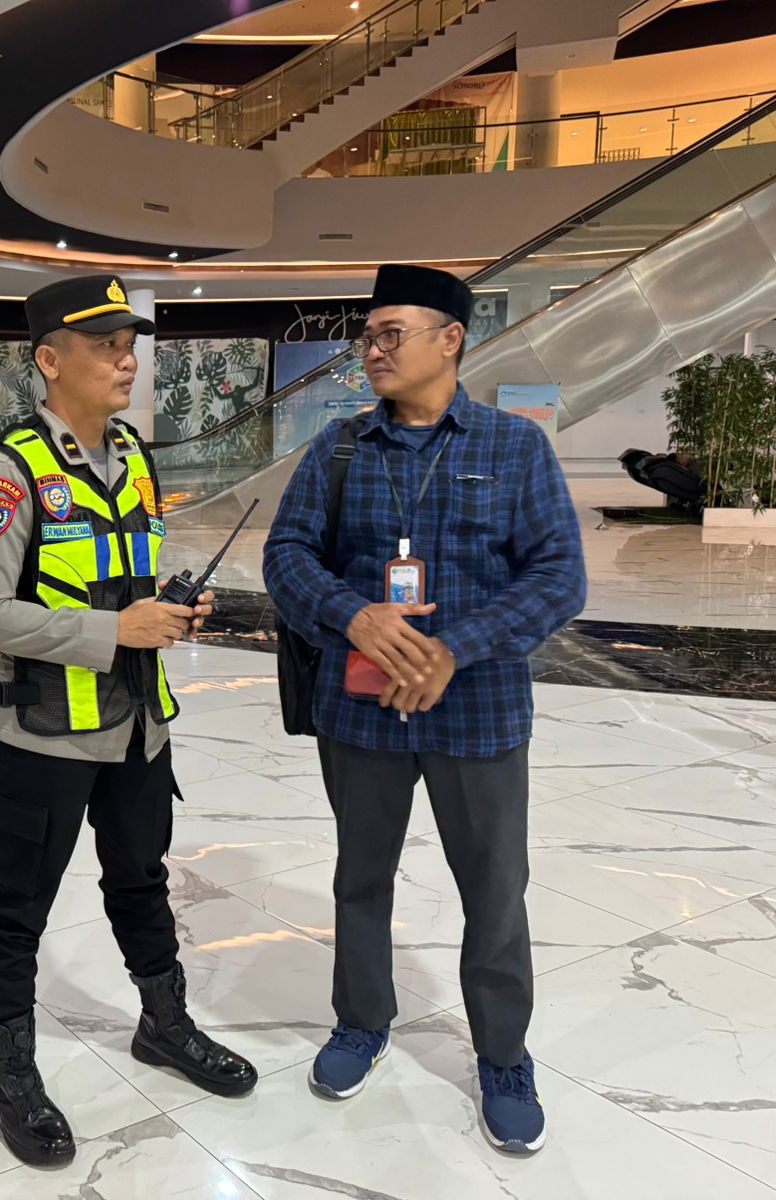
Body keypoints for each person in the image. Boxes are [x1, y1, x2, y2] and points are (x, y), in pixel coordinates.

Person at [263, 264, 587, 1154]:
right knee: (360, 878)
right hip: (361, 712)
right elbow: (287, 555)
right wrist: (354, 616)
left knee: (495, 890)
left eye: (390, 334)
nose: (371, 350)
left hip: (477, 711)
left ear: (451, 340)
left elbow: (560, 576)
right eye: (366, 336)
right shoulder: (338, 449)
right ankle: (361, 1021)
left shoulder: (513, 448)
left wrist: (456, 648)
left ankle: (503, 1056)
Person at [0, 275, 258, 1168]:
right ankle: (9, 1073)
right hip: (40, 735)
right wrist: (112, 631)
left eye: (130, 346)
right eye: (105, 347)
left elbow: (117, 578)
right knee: (18, 905)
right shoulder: (10, 473)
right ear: (50, 361)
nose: (127, 361)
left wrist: (166, 607)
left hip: (138, 727)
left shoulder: (134, 456)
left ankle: (164, 1024)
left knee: (141, 880)